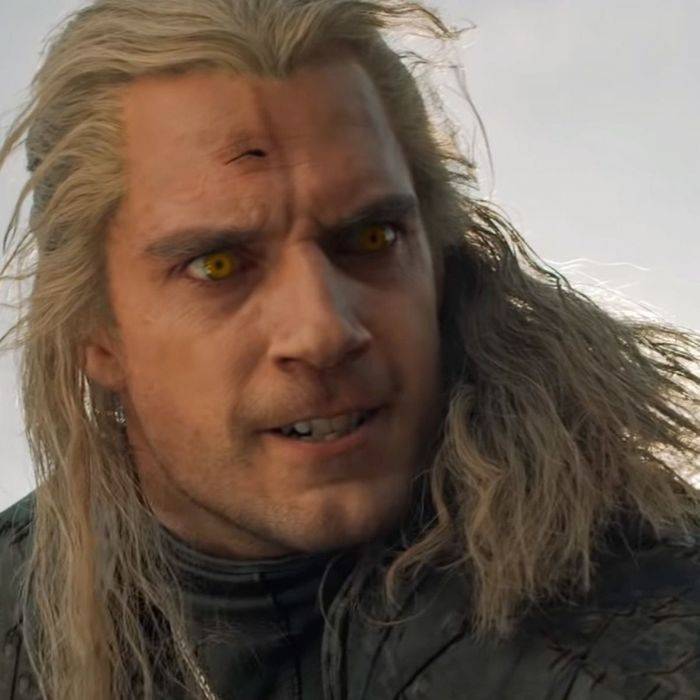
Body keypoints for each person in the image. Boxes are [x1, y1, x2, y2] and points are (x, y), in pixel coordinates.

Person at [0, 0, 698, 698]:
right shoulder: (18, 615)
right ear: (96, 330)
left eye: (371, 239)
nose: (324, 331)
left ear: (438, 257)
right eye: (218, 265)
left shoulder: (614, 645)